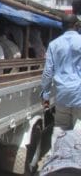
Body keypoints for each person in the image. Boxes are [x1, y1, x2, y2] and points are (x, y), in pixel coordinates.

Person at [41, 14, 81, 155]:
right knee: (78, 125)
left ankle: (56, 157)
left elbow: (47, 73)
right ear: (77, 25)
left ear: (62, 26)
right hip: (79, 92)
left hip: (62, 93)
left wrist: (45, 94)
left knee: (60, 126)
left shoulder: (54, 44)